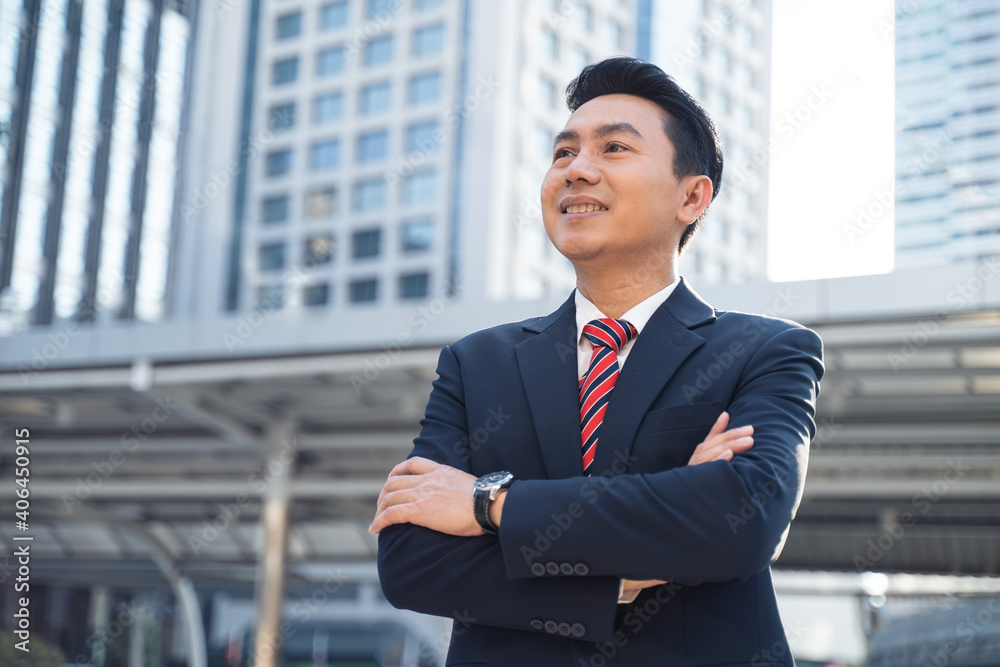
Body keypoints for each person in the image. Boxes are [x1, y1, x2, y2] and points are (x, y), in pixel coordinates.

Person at [370, 56, 824, 667]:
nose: (577, 170)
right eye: (563, 154)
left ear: (692, 196)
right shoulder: (475, 363)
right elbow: (413, 562)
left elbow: (742, 520)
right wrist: (625, 570)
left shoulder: (765, 351)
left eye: (613, 148)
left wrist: (488, 504)